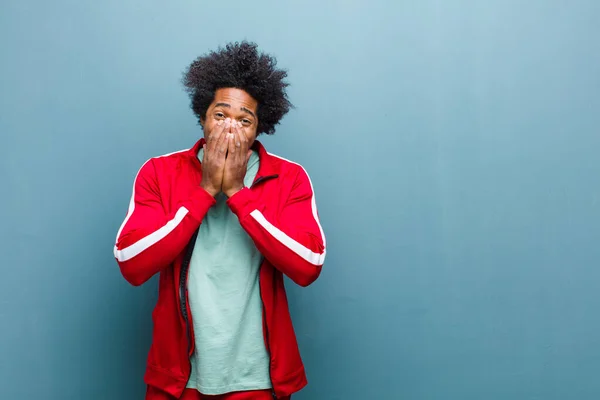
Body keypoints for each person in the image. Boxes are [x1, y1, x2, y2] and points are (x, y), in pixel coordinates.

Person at [113, 41, 326, 400]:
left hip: (256, 379)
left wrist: (240, 195)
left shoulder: (289, 178)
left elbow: (308, 266)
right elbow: (132, 264)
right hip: (179, 379)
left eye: (245, 120)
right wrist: (206, 190)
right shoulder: (159, 172)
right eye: (221, 114)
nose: (231, 128)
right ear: (202, 117)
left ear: (259, 128)